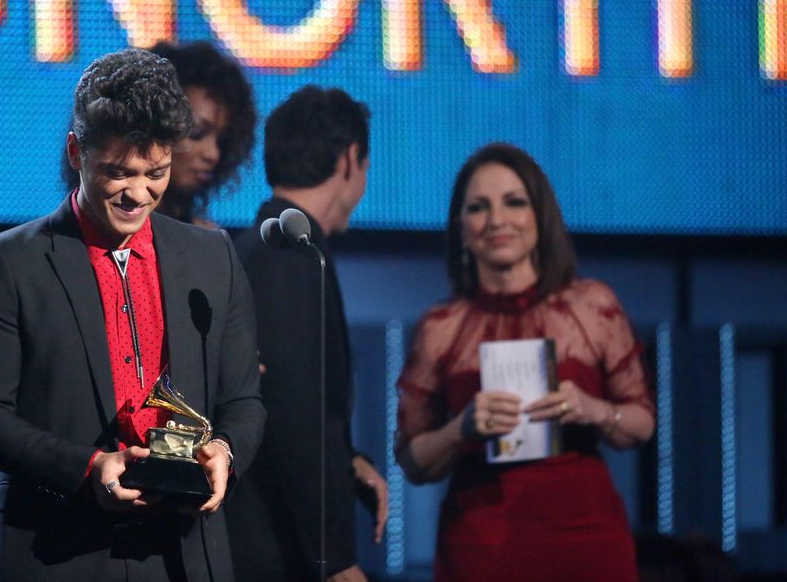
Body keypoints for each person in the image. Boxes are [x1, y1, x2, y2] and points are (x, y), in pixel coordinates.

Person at [0, 48, 265, 581]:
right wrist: (88, 468)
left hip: (185, 554)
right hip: (61, 549)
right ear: (77, 152)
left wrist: (225, 453)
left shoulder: (214, 259)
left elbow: (245, 401)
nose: (139, 194)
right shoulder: (11, 261)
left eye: (156, 173)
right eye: (119, 173)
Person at [395, 143, 655, 581]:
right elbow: (413, 460)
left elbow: (642, 423)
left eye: (514, 202)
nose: (497, 220)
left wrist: (592, 409)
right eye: (479, 207)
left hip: (585, 538)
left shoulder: (593, 306)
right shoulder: (441, 326)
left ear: (541, 215)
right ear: (460, 226)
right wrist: (461, 428)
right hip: (482, 546)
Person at [230, 86, 388, 582]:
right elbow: (291, 410)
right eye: (365, 166)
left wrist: (348, 462)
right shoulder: (290, 257)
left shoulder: (262, 247)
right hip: (273, 553)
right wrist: (335, 558)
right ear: (349, 160)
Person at [61, 40, 256, 227]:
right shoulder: (58, 243)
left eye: (221, 140)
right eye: (196, 132)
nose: (213, 154)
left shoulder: (207, 245)